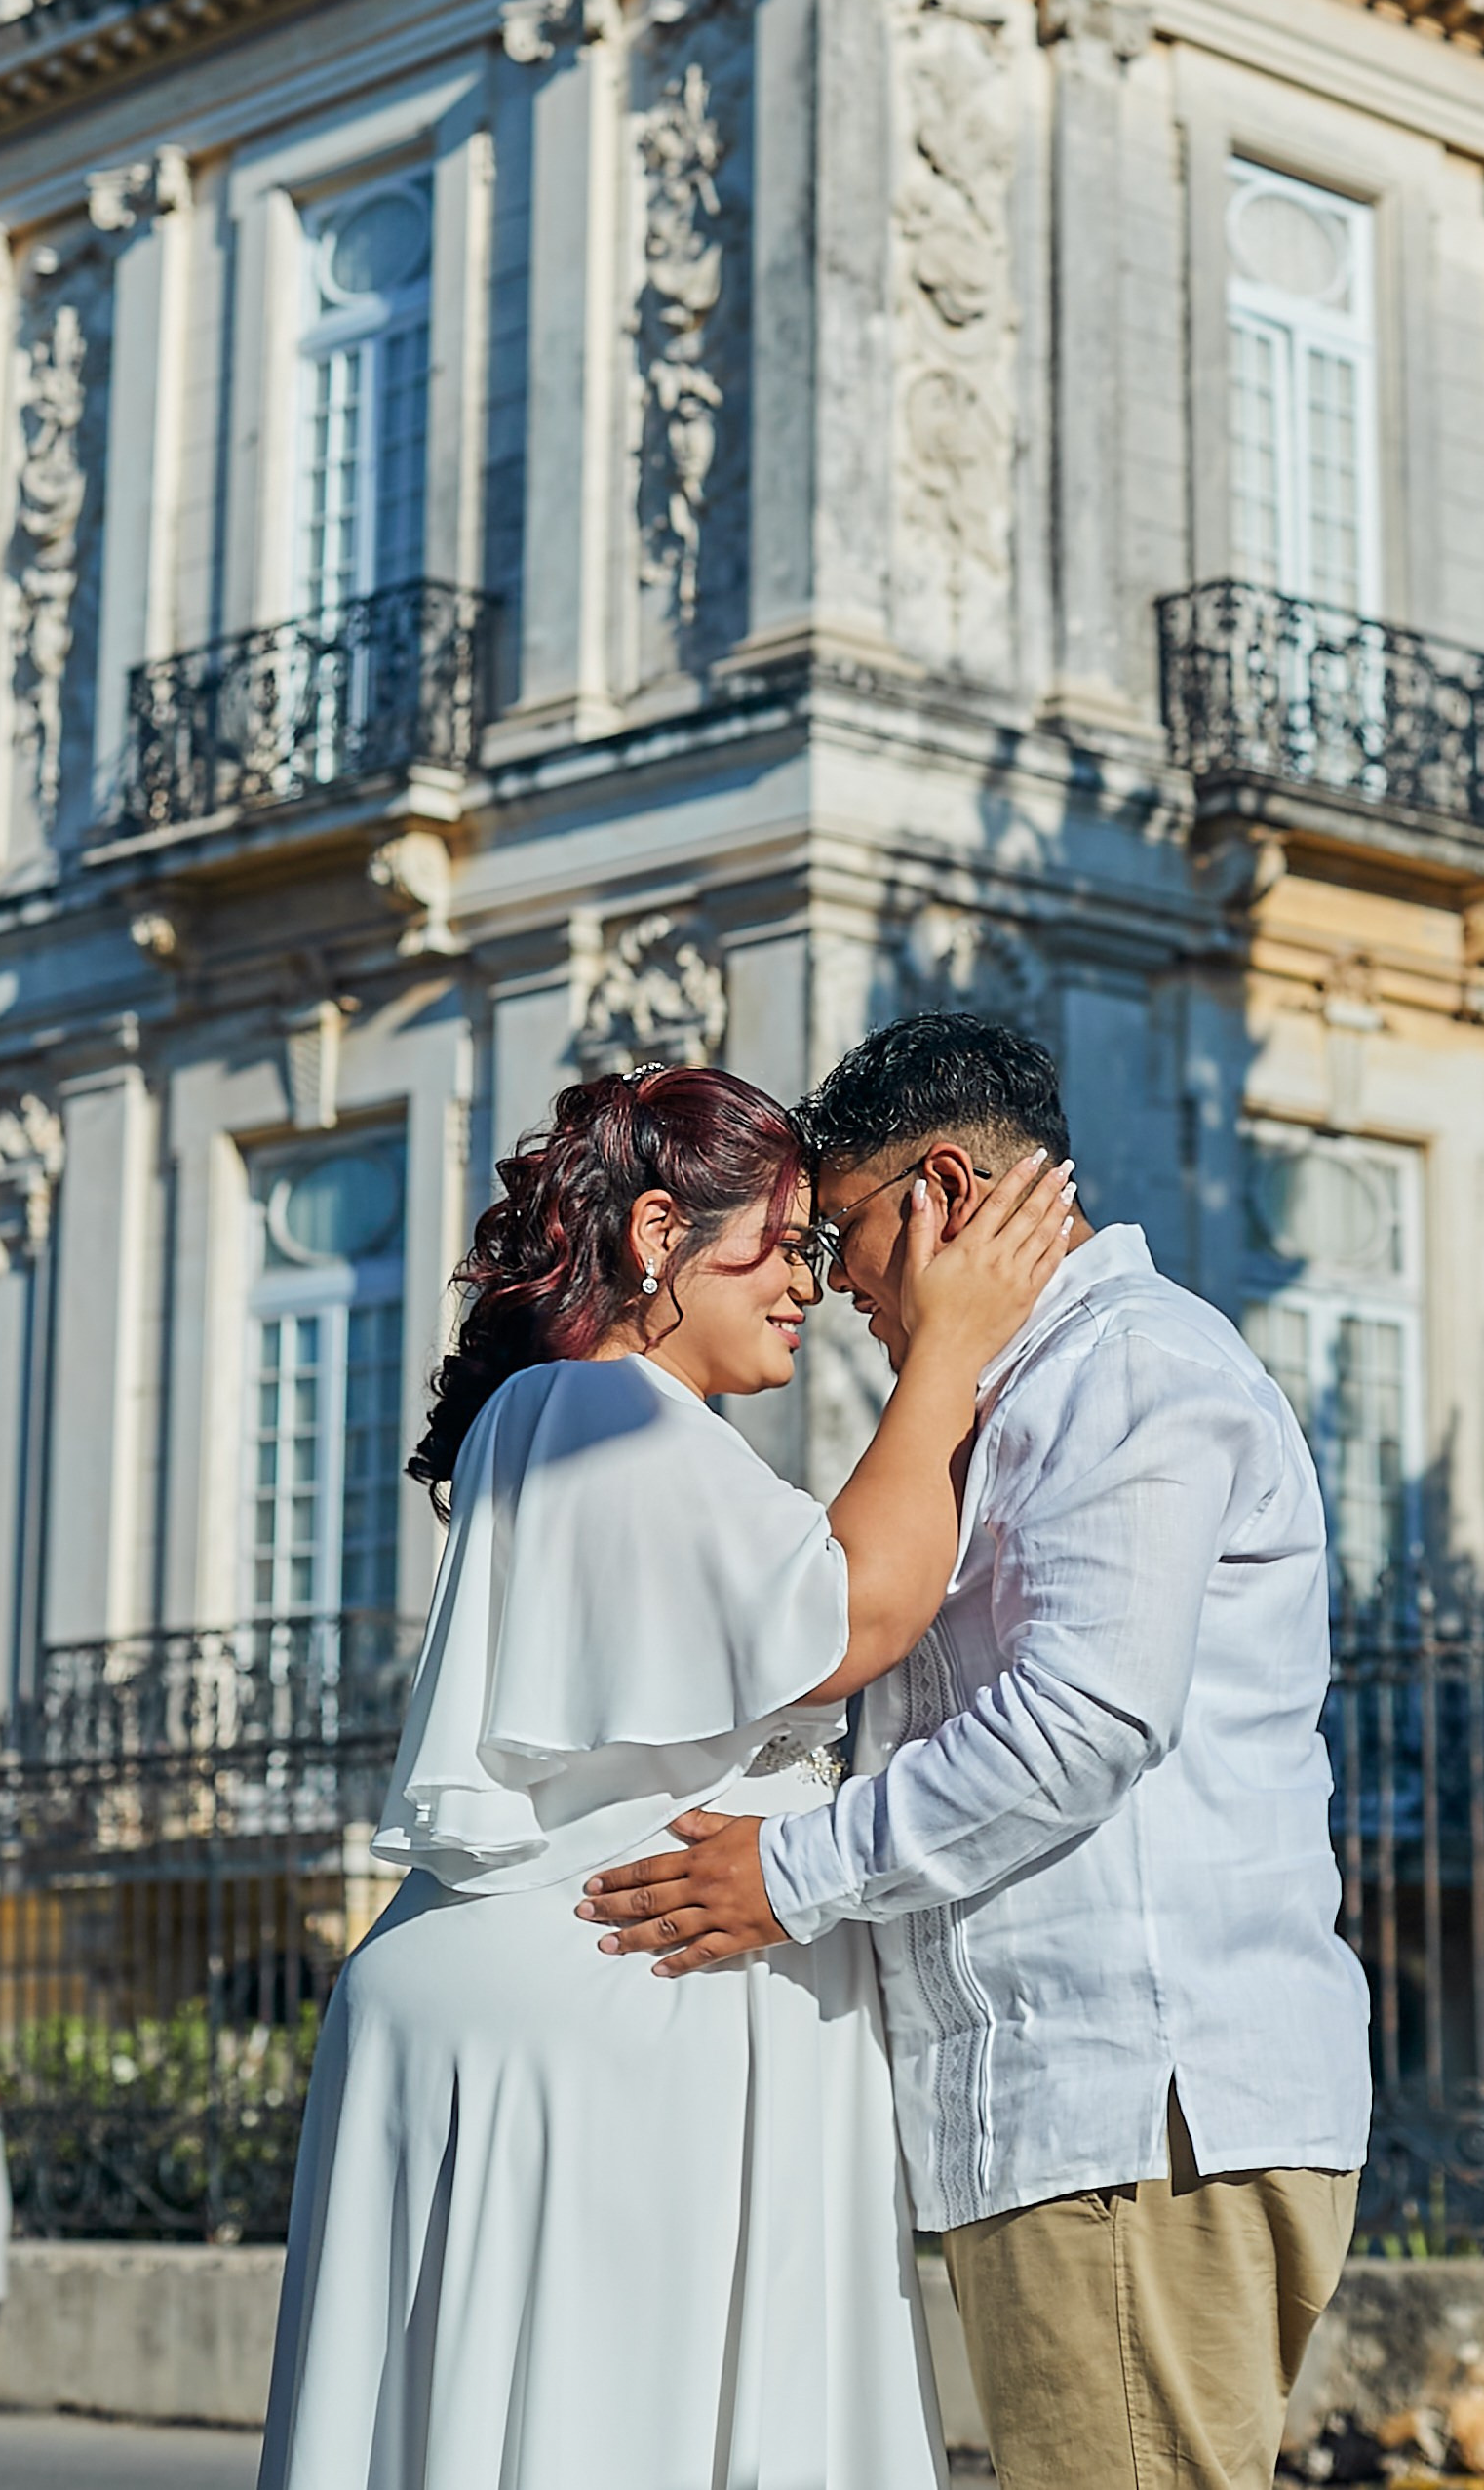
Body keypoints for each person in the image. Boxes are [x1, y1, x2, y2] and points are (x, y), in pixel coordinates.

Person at [256, 1059, 1075, 2490]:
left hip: (604, 2008)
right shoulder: (599, 1409)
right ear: (655, 1239)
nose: (811, 1288)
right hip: (599, 2023)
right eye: (782, 1240)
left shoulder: (620, 1428)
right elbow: (854, 1612)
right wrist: (951, 1349)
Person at [583, 1016, 1373, 2490]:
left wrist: (790, 1878)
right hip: (1090, 2131)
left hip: (1136, 2117)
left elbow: (1088, 1720)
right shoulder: (1019, 1392)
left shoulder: (1125, 1370)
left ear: (942, 1189)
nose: (838, 1294)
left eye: (848, 1239)